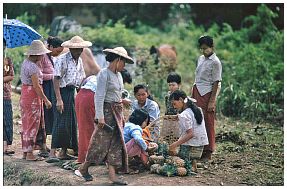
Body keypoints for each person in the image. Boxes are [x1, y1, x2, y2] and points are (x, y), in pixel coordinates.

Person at [75, 47, 134, 185]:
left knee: (116, 142)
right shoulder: (104, 74)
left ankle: (112, 176)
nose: (124, 65)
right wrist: (100, 116)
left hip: (117, 112)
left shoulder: (118, 75)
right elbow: (99, 96)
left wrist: (122, 101)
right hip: (106, 113)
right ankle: (84, 168)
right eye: (123, 62)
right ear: (118, 60)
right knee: (99, 142)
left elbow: (116, 94)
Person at [49, 36, 89, 160]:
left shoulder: (80, 61)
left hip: (71, 92)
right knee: (60, 121)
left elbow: (80, 79)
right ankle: (52, 153)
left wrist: (80, 96)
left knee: (70, 122)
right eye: (76, 49)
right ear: (70, 49)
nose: (79, 52)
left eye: (80, 49)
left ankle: (64, 152)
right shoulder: (62, 59)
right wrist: (59, 99)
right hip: (61, 91)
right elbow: (56, 79)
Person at [19, 40, 52, 161]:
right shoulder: (32, 67)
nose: (43, 56)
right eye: (42, 54)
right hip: (32, 95)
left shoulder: (26, 63)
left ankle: (26, 151)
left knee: (27, 123)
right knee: (32, 124)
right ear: (37, 54)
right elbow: (36, 86)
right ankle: (29, 153)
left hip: (25, 94)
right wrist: (46, 100)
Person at [191, 35, 222, 161]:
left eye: (206, 49)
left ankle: (208, 151)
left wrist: (212, 100)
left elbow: (216, 82)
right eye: (202, 49)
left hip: (207, 93)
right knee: (197, 120)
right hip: (197, 91)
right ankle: (199, 148)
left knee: (208, 122)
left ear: (212, 47)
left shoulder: (216, 62)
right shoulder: (201, 58)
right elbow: (197, 77)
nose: (204, 51)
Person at [168, 90, 209, 172]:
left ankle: (191, 163)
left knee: (175, 160)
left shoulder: (184, 115)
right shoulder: (197, 109)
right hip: (200, 146)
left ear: (181, 100)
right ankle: (194, 162)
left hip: (192, 147)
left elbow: (190, 134)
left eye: (174, 104)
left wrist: (175, 144)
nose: (174, 107)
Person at [38, 36, 64, 157]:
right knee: (44, 116)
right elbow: (37, 74)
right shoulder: (42, 56)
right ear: (51, 47)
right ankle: (41, 146)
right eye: (57, 51)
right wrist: (52, 76)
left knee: (49, 116)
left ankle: (44, 144)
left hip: (50, 88)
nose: (58, 54)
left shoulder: (51, 57)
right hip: (44, 87)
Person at [75, 75, 97, 163]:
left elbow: (80, 86)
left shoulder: (93, 77)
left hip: (79, 96)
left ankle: (84, 156)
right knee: (89, 129)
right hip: (89, 98)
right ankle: (87, 158)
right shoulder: (110, 81)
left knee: (83, 128)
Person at [3, 38, 15, 155]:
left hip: (5, 93)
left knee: (7, 119)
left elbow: (11, 76)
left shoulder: (7, 60)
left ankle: (5, 147)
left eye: (3, 46)